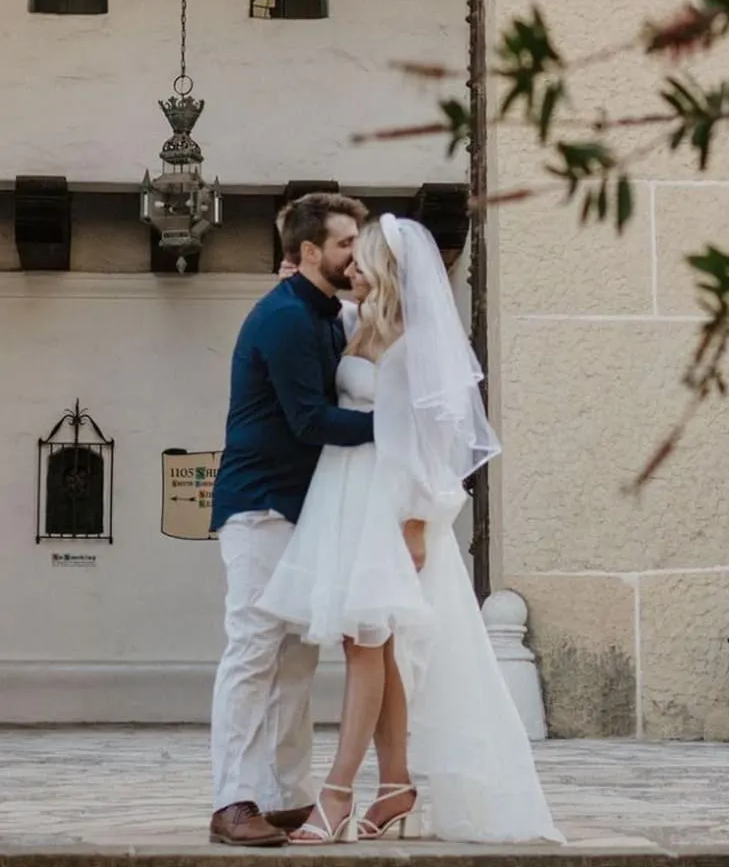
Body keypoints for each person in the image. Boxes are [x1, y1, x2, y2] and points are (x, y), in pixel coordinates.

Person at [258, 214, 564, 845]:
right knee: (372, 649)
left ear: (388, 270)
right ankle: (394, 783)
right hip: (344, 497)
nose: (353, 268)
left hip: (389, 506)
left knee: (367, 646)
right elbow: (324, 325)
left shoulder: (415, 343)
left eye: (363, 259)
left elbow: (436, 444)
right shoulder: (356, 324)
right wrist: (292, 279)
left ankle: (337, 792)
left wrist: (419, 522)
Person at [208, 192, 371, 847]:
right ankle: (232, 801)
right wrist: (399, 429)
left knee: (298, 656)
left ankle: (283, 796)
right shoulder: (283, 319)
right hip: (261, 508)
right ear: (307, 252)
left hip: (304, 512)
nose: (355, 254)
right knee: (253, 652)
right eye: (344, 245)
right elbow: (309, 420)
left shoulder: (326, 313)